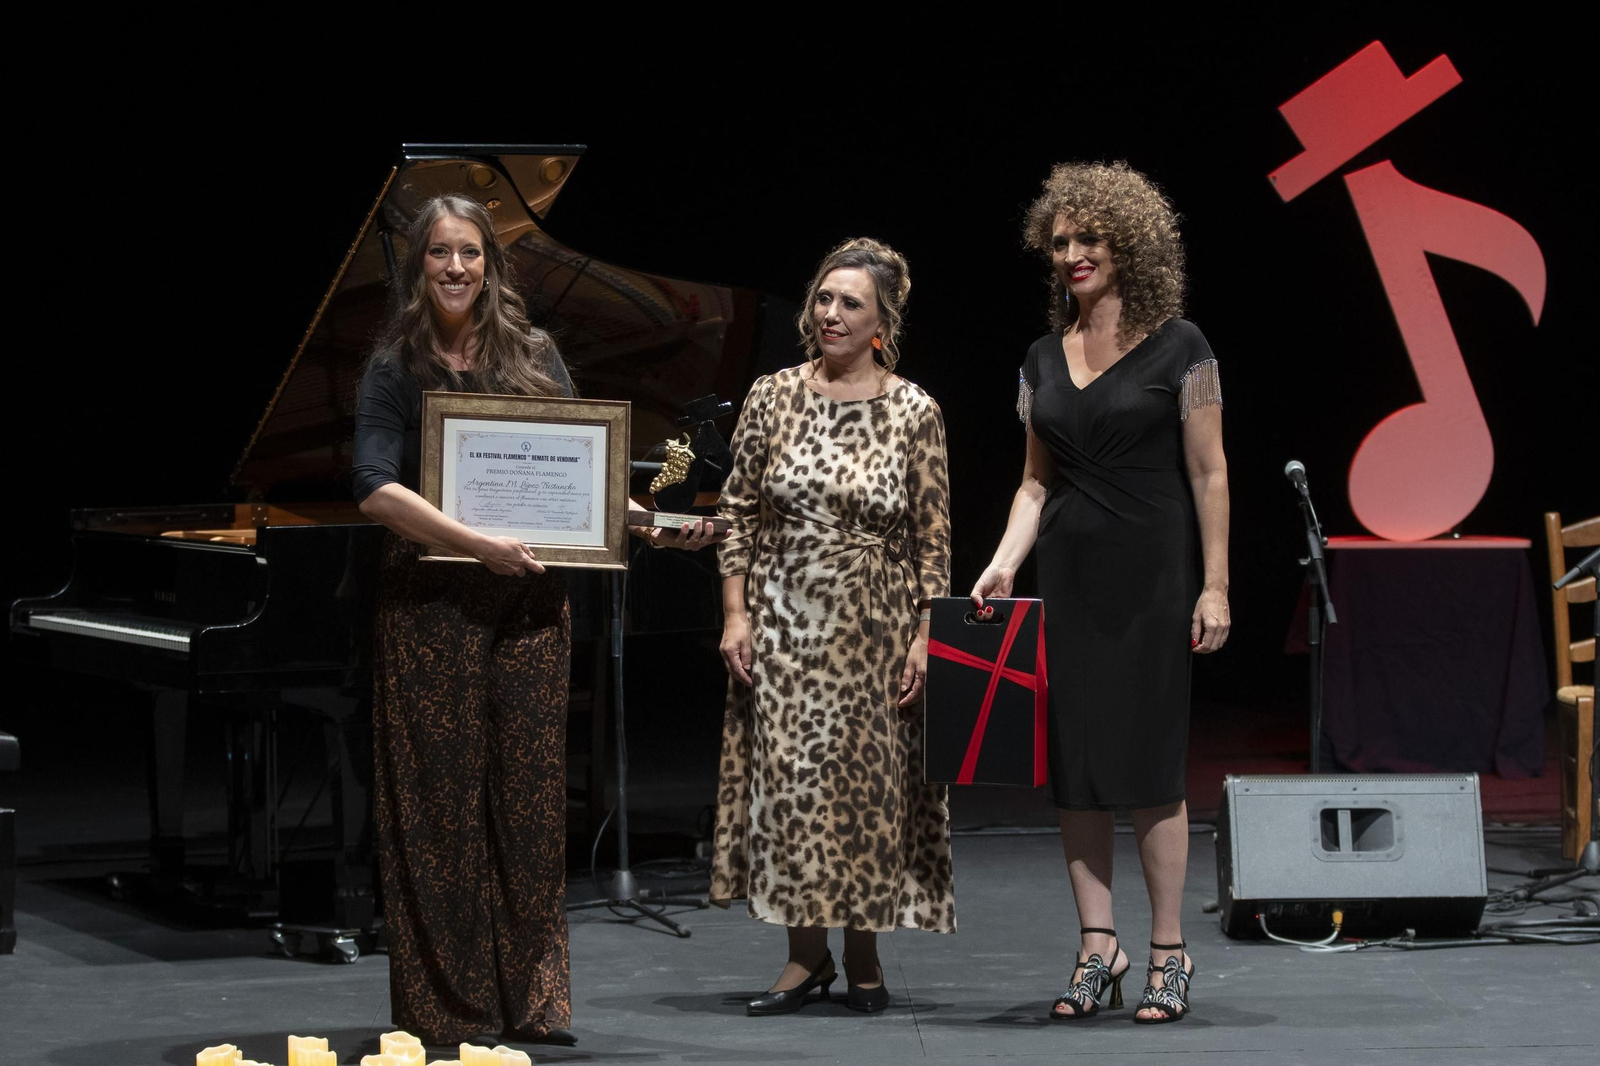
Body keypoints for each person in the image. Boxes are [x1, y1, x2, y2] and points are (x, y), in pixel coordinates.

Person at [352, 193, 713, 1047]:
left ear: (491, 264)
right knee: (438, 803)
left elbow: (580, 476)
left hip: (528, 603)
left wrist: (653, 524)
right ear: (418, 265)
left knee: (529, 801)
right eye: (439, 252)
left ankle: (531, 1002)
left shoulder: (533, 352)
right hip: (432, 604)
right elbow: (374, 488)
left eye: (470, 252)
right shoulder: (394, 366)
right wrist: (475, 543)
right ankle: (448, 1009)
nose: (455, 267)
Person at [971, 162, 1230, 1025]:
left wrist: (1216, 585)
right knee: (1077, 768)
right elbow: (1034, 484)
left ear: (1130, 245)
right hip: (1069, 581)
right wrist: (1005, 563)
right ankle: (1097, 948)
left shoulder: (1182, 345)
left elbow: (1209, 471)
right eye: (1058, 242)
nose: (1071, 253)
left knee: (1151, 765)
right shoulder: (1041, 358)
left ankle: (1168, 952)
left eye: (1088, 239)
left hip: (1153, 578)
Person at [709, 238, 956, 1016]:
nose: (832, 313)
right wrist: (736, 614)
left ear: (883, 322)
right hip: (784, 625)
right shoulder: (772, 396)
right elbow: (737, 512)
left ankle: (863, 953)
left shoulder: (914, 410)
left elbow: (934, 539)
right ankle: (805, 956)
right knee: (793, 793)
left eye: (851, 303)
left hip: (874, 630)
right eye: (823, 297)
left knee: (866, 797)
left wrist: (925, 635)